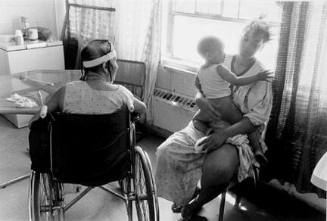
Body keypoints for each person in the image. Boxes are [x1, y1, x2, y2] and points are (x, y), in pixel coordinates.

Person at [155, 19, 273, 221]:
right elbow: (200, 88)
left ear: (262, 46)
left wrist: (224, 135)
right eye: (246, 39)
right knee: (167, 151)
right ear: (241, 35)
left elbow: (255, 119)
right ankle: (187, 191)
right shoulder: (218, 58)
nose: (248, 45)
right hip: (205, 122)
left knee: (217, 169)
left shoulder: (261, 77)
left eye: (255, 43)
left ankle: (197, 202)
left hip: (237, 133)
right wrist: (200, 101)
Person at [193, 36, 271, 165]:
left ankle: (203, 129)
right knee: (250, 127)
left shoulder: (201, 70)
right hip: (226, 106)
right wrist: (257, 77)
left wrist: (204, 98)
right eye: (246, 38)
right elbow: (237, 81)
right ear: (209, 55)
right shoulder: (220, 67)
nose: (223, 53)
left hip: (212, 107)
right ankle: (258, 149)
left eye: (255, 42)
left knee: (198, 119)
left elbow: (198, 86)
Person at [29, 39, 146, 123]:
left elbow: (33, 122)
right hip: (111, 156)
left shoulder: (65, 91)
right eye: (115, 61)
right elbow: (142, 108)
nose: (116, 66)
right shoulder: (122, 94)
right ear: (105, 66)